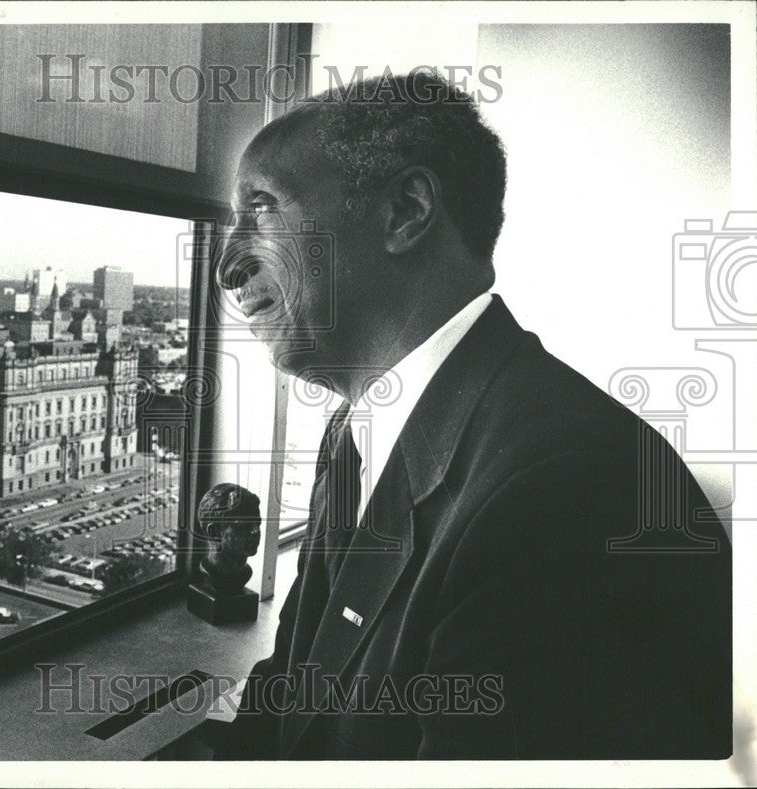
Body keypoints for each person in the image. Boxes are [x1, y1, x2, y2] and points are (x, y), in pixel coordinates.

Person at [212, 72, 731, 760]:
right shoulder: (357, 432)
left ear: (405, 211)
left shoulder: (569, 492)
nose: (226, 265)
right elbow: (293, 682)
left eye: (263, 207)